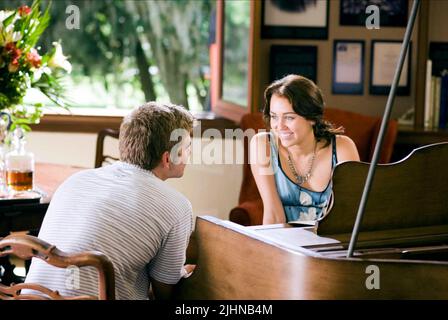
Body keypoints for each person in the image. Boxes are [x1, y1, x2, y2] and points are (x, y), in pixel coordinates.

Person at [25, 102, 195, 300]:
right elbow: (165, 292)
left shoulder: (76, 180)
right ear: (167, 159)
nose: (191, 153)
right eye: (188, 147)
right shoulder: (177, 206)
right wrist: (181, 274)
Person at [250, 74, 360, 225]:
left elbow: (352, 216)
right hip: (284, 242)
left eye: (289, 117)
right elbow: (274, 216)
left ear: (312, 118)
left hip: (332, 243)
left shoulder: (342, 149)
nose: (279, 126)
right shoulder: (263, 146)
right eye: (274, 116)